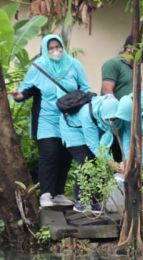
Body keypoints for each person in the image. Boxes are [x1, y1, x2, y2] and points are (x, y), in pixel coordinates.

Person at [11, 34, 92, 208]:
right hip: (46, 119)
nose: (56, 51)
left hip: (69, 119)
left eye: (58, 47)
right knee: (50, 154)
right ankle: (46, 194)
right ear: (45, 50)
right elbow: (26, 90)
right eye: (51, 48)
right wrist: (19, 96)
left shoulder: (73, 65)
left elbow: (85, 88)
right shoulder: (38, 67)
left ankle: (59, 193)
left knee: (65, 156)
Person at [59, 94, 120, 212]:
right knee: (87, 162)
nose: (111, 121)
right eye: (109, 119)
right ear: (104, 115)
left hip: (89, 129)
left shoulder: (111, 108)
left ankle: (95, 200)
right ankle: (81, 200)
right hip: (72, 132)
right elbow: (94, 145)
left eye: (114, 119)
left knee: (100, 162)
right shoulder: (87, 114)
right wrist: (110, 162)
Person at [101, 35, 134, 99]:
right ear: (129, 48)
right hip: (114, 108)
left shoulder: (136, 69)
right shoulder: (113, 63)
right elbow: (107, 92)